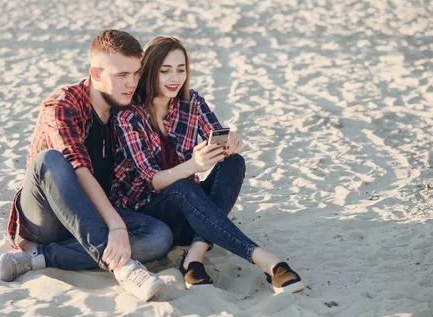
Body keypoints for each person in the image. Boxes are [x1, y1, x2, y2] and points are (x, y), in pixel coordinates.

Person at [111, 36, 303, 293]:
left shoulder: (192, 102)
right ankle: (264, 259)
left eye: (181, 69)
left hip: (193, 212)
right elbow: (153, 180)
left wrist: (231, 141)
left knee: (234, 162)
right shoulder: (128, 116)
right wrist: (193, 165)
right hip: (152, 214)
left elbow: (216, 136)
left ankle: (195, 255)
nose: (174, 78)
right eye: (164, 70)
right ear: (149, 72)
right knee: (181, 186)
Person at [0, 30, 173, 302]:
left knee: (159, 237)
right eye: (122, 75)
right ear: (97, 73)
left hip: (95, 211)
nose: (132, 83)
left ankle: (39, 257)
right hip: (48, 217)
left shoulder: (124, 106)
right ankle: (122, 267)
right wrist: (116, 228)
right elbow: (80, 170)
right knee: (50, 160)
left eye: (136, 73)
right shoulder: (63, 104)